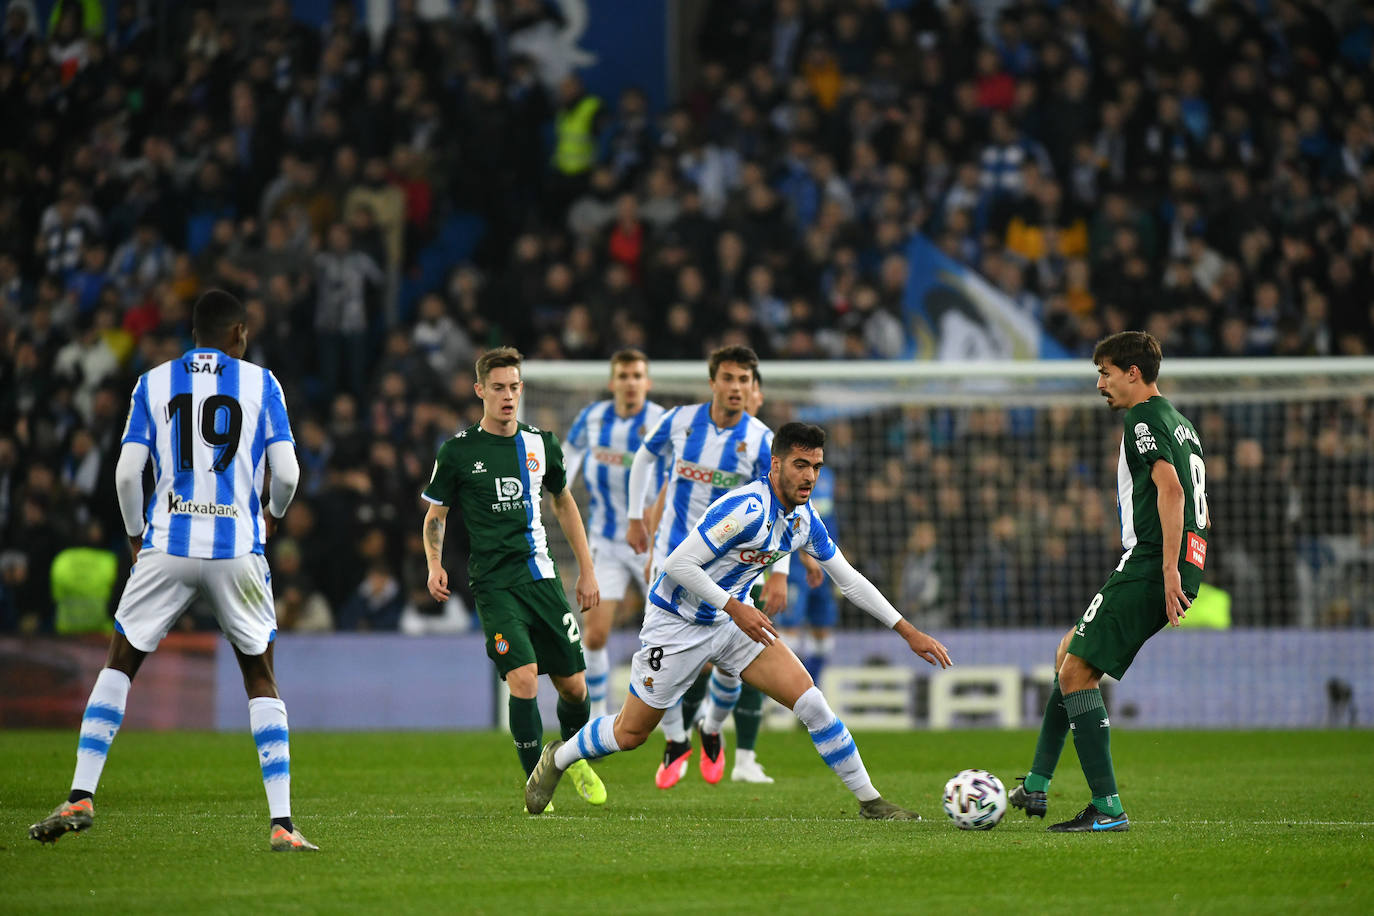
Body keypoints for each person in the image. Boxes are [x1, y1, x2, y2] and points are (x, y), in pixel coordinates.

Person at [525, 422, 952, 819]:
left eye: (817, 467)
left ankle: (871, 802)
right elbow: (678, 564)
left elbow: (851, 580)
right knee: (630, 734)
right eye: (801, 465)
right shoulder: (746, 507)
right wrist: (735, 606)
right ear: (776, 464)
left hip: (732, 624)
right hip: (677, 623)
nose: (809, 477)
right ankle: (558, 757)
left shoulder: (805, 520)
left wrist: (907, 631)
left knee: (813, 704)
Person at [29, 289, 315, 852]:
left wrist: (137, 535)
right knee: (260, 678)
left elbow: (126, 473)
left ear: (193, 333)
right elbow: (286, 472)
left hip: (167, 543)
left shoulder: (152, 382)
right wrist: (272, 517)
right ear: (238, 334)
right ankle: (282, 825)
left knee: (121, 662)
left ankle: (81, 793)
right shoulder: (262, 383)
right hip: (237, 546)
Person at [1009, 331, 1209, 832]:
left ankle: (1108, 807)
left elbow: (1172, 490)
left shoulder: (1143, 418)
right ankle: (1036, 783)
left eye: (1105, 372)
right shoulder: (1181, 423)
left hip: (1150, 561)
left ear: (1132, 373)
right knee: (1068, 656)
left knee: (1076, 673)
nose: (1100, 383)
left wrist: (1165, 569)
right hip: (1181, 558)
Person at [421, 346, 606, 810]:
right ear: (480, 390)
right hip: (494, 585)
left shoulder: (541, 443)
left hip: (541, 578)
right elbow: (435, 515)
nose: (508, 396)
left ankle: (570, 756)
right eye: (498, 388)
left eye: (514, 387)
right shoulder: (458, 451)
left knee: (575, 687)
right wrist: (434, 564)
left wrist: (586, 569)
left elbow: (564, 503)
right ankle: (537, 783)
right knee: (523, 680)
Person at [625, 345, 787, 789]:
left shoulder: (759, 440)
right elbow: (644, 457)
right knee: (663, 657)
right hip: (672, 558)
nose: (737, 388)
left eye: (745, 381)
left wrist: (780, 572)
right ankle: (676, 741)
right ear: (713, 381)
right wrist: (636, 516)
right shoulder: (679, 421)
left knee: (732, 666)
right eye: (729, 379)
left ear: (752, 388)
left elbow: (784, 506)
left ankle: (711, 727)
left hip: (733, 570)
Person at [562, 349, 667, 718]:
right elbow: (568, 458)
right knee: (594, 635)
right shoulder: (591, 418)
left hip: (651, 543)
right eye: (623, 376)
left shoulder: (660, 421)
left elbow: (673, 478)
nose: (630, 383)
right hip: (605, 542)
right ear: (612, 383)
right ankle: (597, 718)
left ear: (647, 383)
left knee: (671, 632)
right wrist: (553, 489)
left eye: (637, 376)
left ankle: (675, 721)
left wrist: (650, 524)